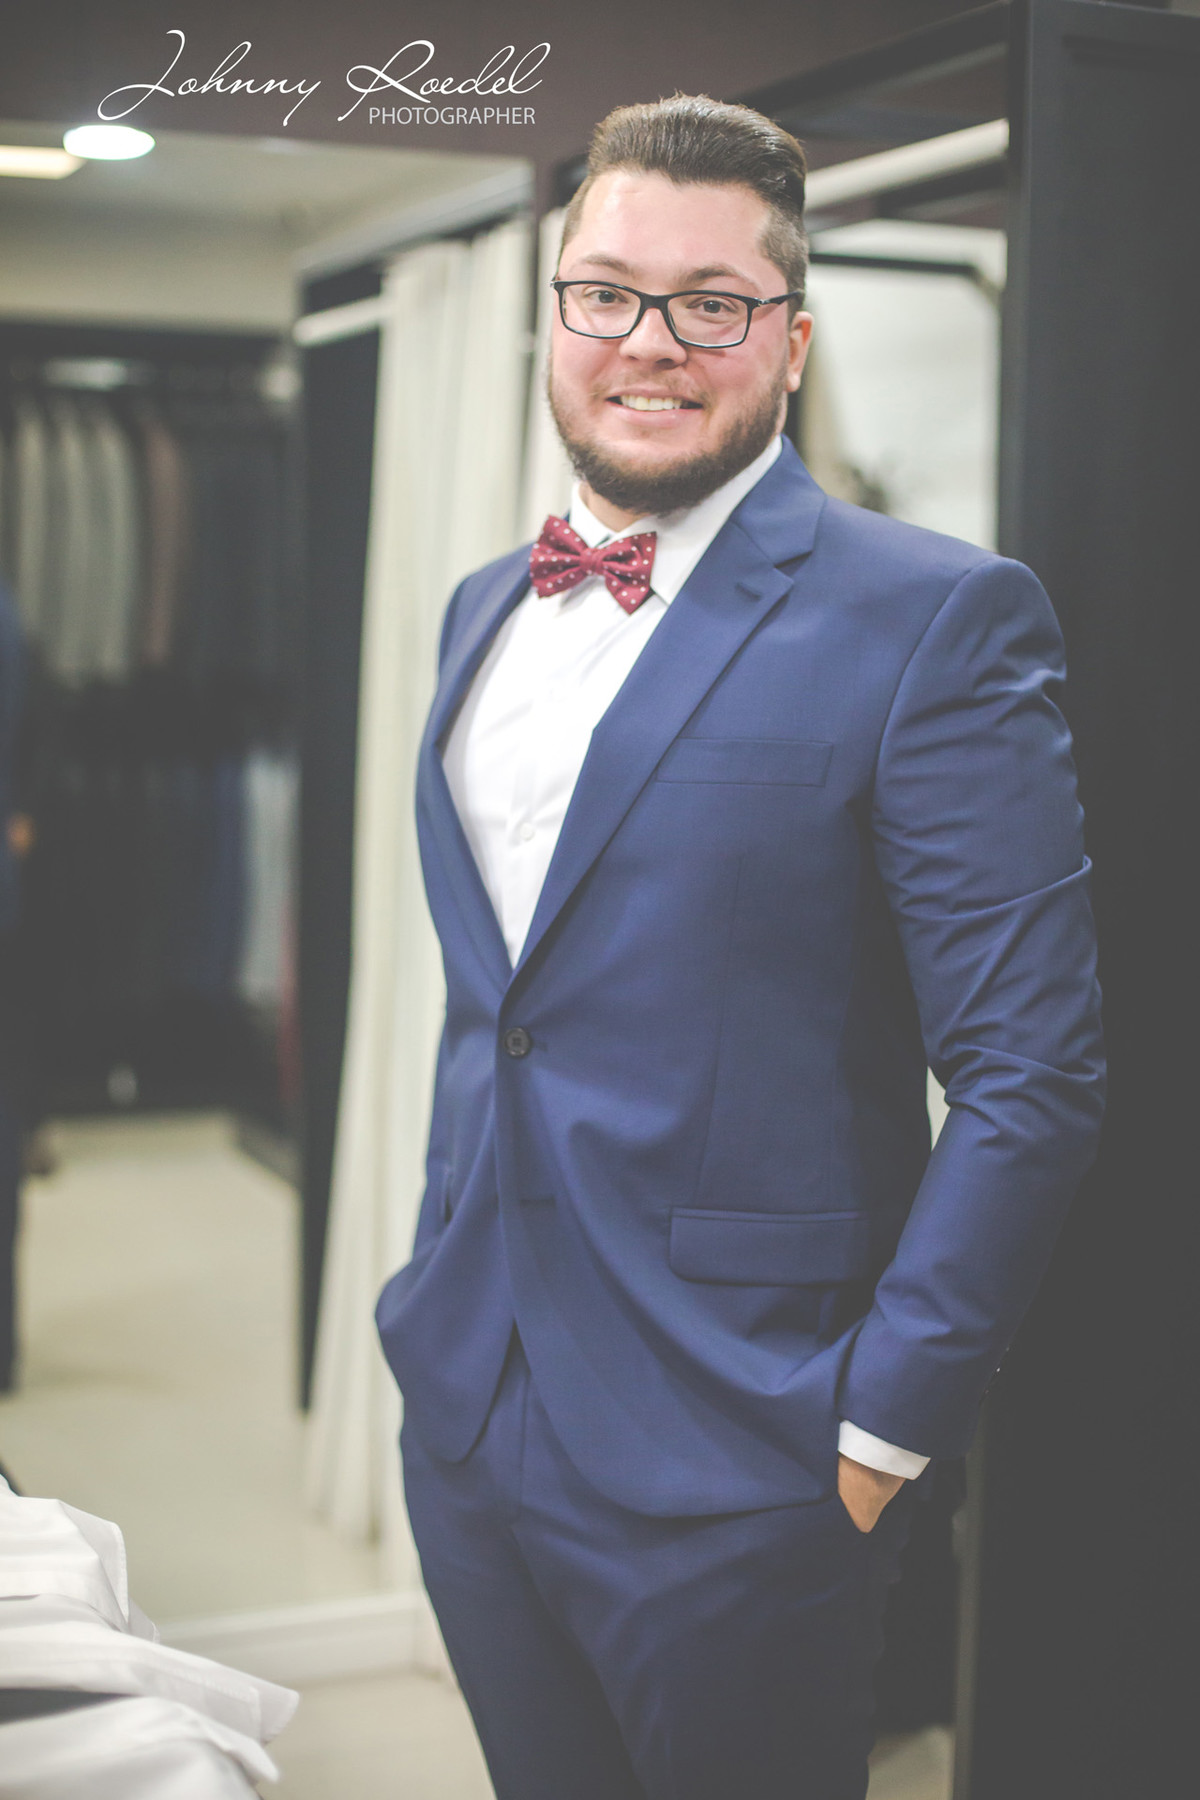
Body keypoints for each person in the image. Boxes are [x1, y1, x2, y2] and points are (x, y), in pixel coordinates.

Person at [375, 96, 1105, 1800]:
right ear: (556, 312)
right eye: (608, 292)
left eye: (711, 302)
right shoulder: (483, 607)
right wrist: (433, 1339)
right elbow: (513, 1012)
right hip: (472, 1416)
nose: (651, 340)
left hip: (750, 1461)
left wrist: (882, 1428)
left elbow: (1033, 1076)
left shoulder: (934, 616)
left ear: (792, 339)